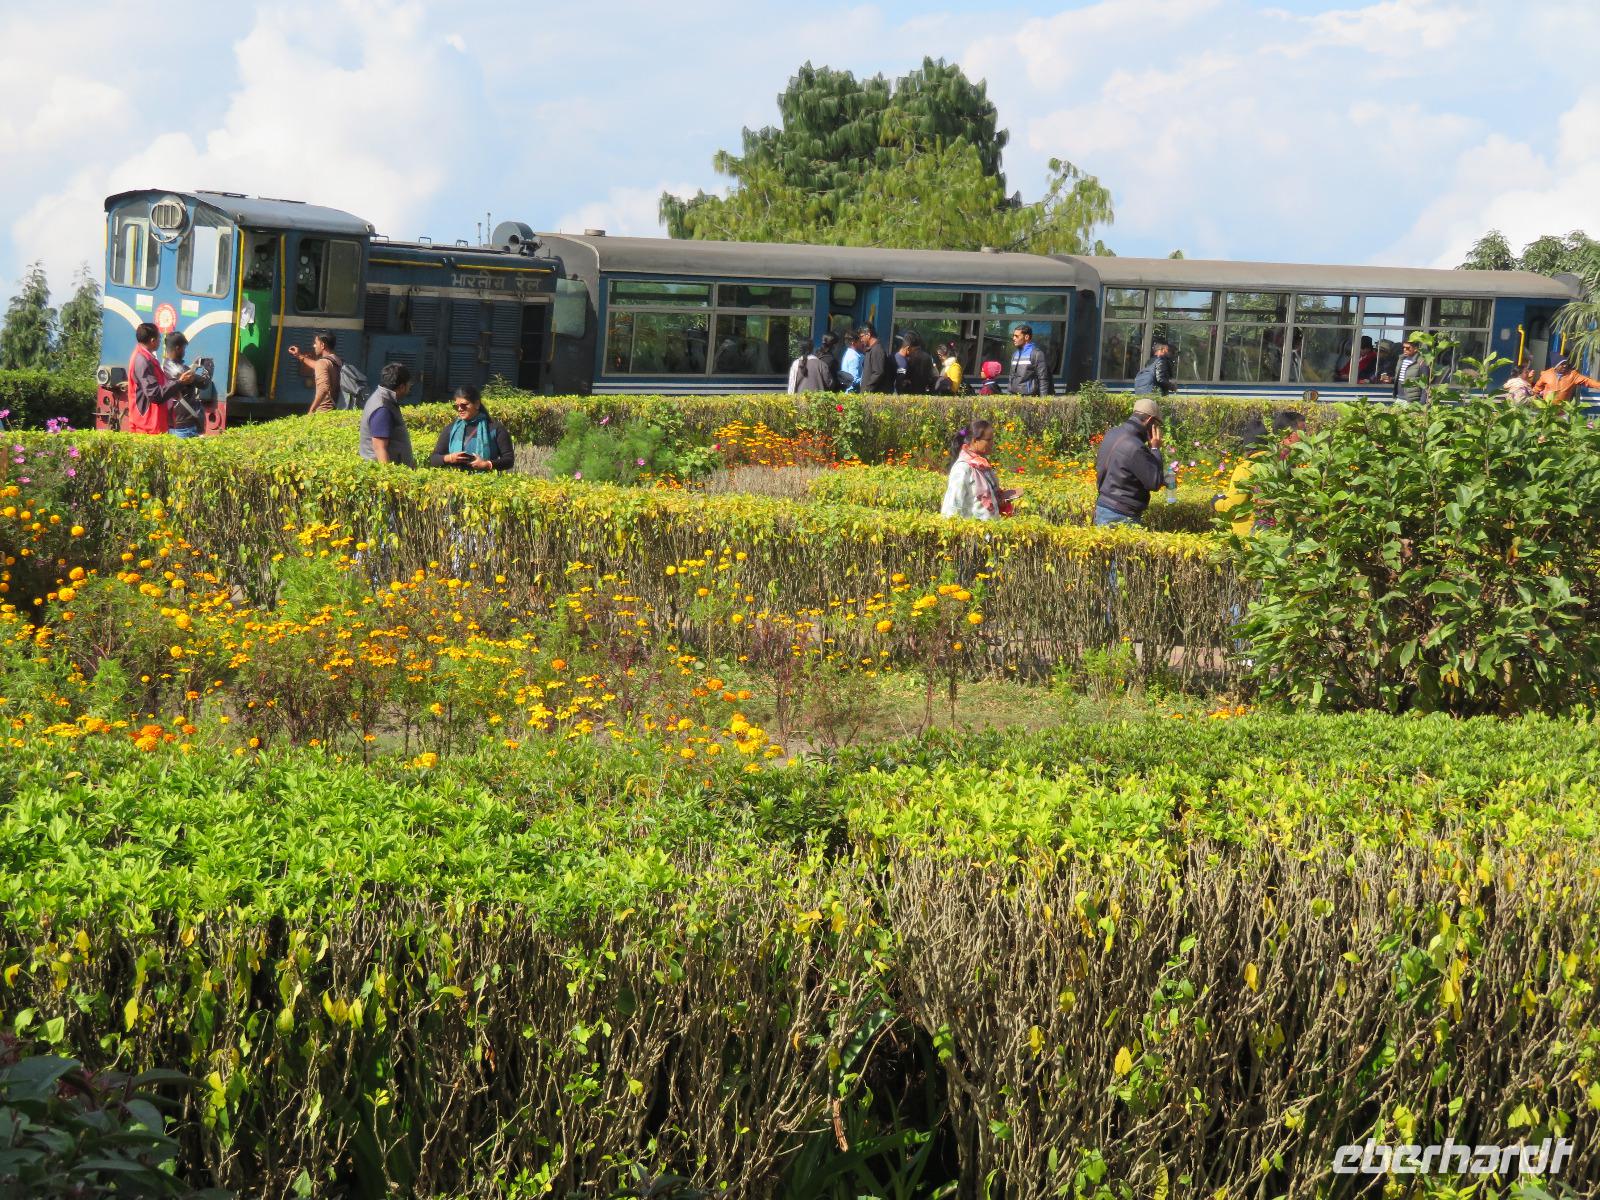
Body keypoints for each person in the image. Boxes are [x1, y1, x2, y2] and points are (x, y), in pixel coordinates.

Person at [1093, 398, 1165, 526]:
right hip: (1121, 515)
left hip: (1103, 506)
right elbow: (1154, 482)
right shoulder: (1136, 446)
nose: (1157, 429)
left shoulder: (1112, 433)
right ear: (1149, 421)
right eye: (1156, 424)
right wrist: (1155, 449)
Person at [941, 419, 1020, 521]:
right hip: (973, 529)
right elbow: (952, 506)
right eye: (988, 440)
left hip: (990, 527)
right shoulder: (962, 468)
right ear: (975, 441)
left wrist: (998, 498)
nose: (992, 443)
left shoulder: (982, 466)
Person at [124, 322, 192, 435]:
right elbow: (155, 394)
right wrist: (180, 382)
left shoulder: (147, 357)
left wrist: (172, 392)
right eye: (159, 338)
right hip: (147, 425)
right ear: (152, 341)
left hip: (153, 422)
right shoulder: (142, 361)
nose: (160, 341)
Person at [428, 386, 515, 471]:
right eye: (456, 406)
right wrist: (449, 458)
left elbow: (509, 460)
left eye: (464, 405)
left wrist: (487, 464)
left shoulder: (495, 428)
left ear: (477, 404)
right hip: (455, 479)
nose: (460, 409)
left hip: (485, 480)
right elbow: (434, 459)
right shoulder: (451, 429)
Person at [359, 362, 416, 466]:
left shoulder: (383, 398)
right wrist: (388, 475)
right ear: (402, 387)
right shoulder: (383, 408)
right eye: (409, 385)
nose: (409, 388)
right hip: (380, 471)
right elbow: (380, 448)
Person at [162, 331, 209, 439]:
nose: (184, 351)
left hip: (172, 423)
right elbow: (204, 383)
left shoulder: (165, 365)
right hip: (186, 425)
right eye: (184, 348)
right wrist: (208, 367)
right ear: (178, 348)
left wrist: (194, 366)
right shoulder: (182, 370)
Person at [287, 331, 343, 415]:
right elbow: (317, 365)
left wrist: (312, 410)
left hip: (324, 412)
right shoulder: (337, 360)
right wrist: (298, 355)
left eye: (316, 343)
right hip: (336, 408)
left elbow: (323, 389)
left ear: (322, 345)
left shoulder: (322, 363)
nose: (314, 346)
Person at [1007, 324, 1053, 396]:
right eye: (1013, 336)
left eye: (1017, 336)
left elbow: (1043, 378)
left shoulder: (1037, 354)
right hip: (1014, 397)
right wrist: (1009, 395)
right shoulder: (1015, 354)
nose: (1013, 338)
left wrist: (1043, 400)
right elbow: (1011, 377)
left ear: (1026, 337)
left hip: (1030, 398)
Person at [1534, 356, 1600, 404]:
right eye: (1562, 364)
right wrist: (1534, 397)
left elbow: (1587, 381)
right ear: (1556, 366)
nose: (1565, 366)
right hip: (1547, 409)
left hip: (1563, 411)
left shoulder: (1573, 375)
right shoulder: (1546, 374)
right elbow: (1537, 387)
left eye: (1566, 364)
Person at [1385, 337, 1429, 402]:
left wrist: (1422, 402)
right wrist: (1391, 379)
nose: (1405, 349)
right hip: (1399, 397)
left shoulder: (1421, 362)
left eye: (1408, 348)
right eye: (1403, 347)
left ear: (1415, 349)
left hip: (1412, 400)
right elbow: (1403, 377)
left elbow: (1425, 384)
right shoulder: (1401, 359)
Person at [857, 326, 895, 393]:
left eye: (861, 336)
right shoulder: (870, 349)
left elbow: (878, 373)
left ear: (868, 335)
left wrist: (867, 390)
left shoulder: (877, 350)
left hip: (871, 394)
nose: (861, 340)